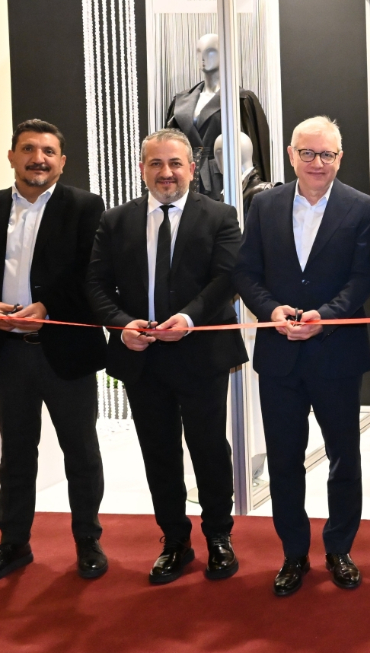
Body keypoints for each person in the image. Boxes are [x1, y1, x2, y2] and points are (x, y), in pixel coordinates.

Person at [86, 128, 248, 585]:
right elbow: (96, 284)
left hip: (201, 354)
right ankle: (174, 540)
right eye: (156, 163)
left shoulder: (220, 216)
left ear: (191, 169)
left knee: (209, 448)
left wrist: (189, 318)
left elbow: (227, 278)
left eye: (175, 163)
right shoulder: (115, 221)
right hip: (142, 357)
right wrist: (121, 325)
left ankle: (219, 536)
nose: (166, 172)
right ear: (142, 169)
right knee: (158, 452)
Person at [233, 117, 370, 597]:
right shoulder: (264, 205)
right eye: (308, 153)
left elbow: (363, 277)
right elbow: (246, 271)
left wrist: (327, 316)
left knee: (343, 458)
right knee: (284, 461)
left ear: (340, 157)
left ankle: (339, 548)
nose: (318, 163)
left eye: (327, 154)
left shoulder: (363, 208)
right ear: (291, 155)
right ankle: (294, 553)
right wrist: (270, 310)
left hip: (337, 355)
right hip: (279, 358)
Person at [0, 120, 107, 580]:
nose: (37, 158)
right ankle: (13, 543)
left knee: (80, 451)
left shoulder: (86, 207)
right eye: (28, 149)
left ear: (62, 161)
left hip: (66, 350)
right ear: (12, 156)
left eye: (47, 151)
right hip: (8, 354)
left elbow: (92, 276)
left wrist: (47, 307)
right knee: (15, 453)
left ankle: (87, 540)